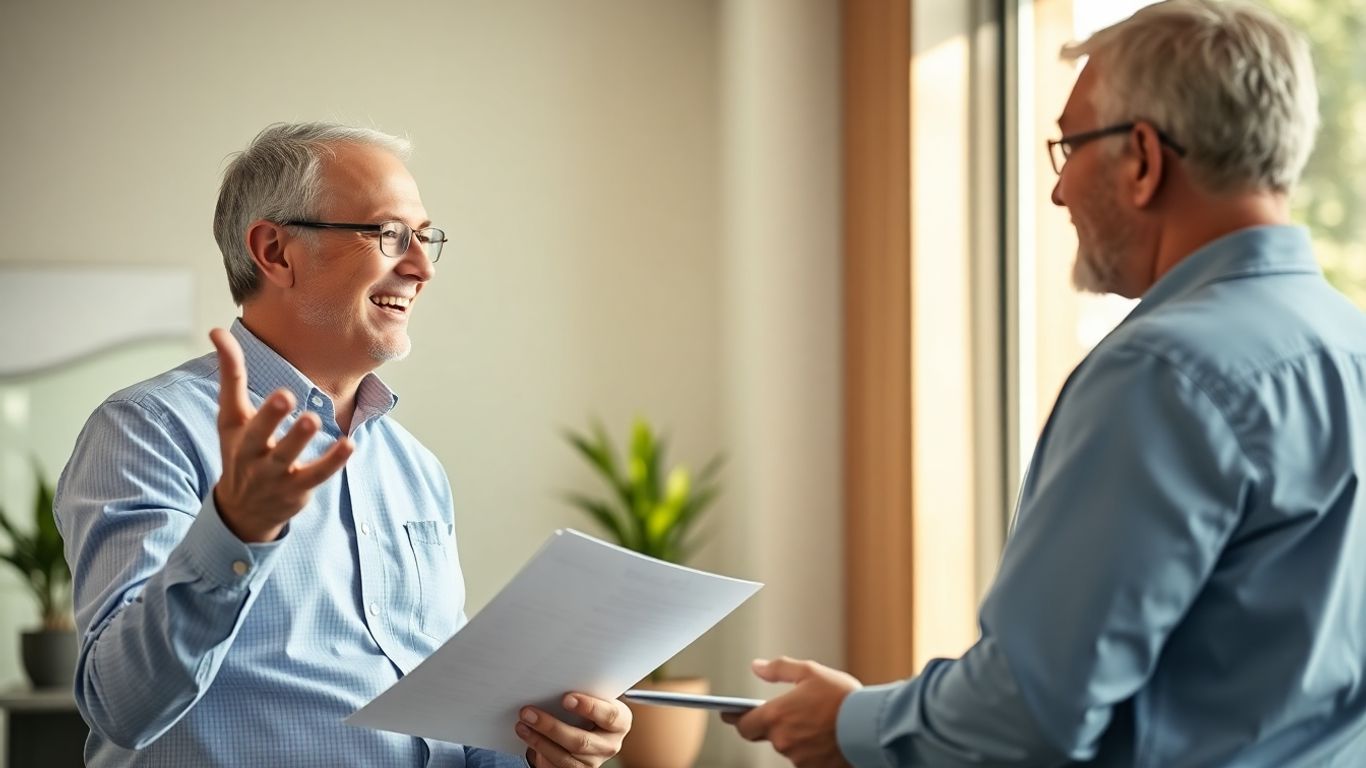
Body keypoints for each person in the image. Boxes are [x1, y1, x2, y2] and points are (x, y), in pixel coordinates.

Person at [724, 1, 1366, 766]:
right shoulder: (1350, 346)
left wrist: (851, 724)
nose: (1059, 193)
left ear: (1142, 159)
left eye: (1070, 147)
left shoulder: (1163, 373)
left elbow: (1030, 710)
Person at [54, 123, 630, 767]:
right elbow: (121, 706)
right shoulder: (146, 429)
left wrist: (539, 748)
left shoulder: (415, 467)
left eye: (426, 237)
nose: (421, 268)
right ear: (275, 251)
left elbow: (449, 730)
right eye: (390, 234)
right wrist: (234, 530)